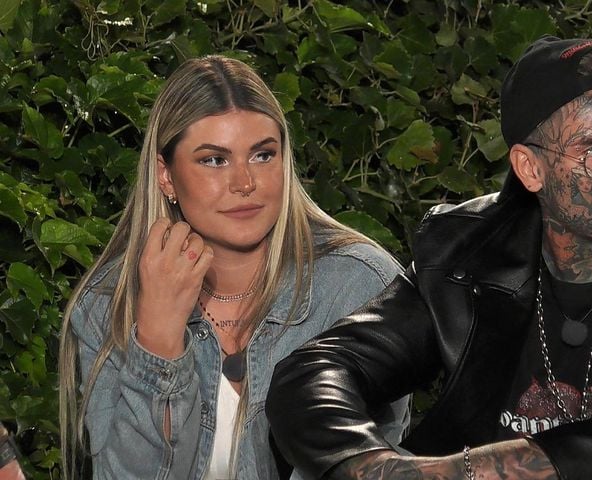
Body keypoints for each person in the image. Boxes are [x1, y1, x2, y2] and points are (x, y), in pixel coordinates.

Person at [266, 36, 592, 480]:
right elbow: (319, 369)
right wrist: (377, 467)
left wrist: (497, 466)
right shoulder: (467, 250)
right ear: (530, 169)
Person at [58, 55, 409, 480]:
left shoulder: (360, 286)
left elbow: (372, 469)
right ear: (165, 176)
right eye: (214, 160)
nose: (244, 183)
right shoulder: (108, 303)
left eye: (263, 155)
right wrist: (157, 337)